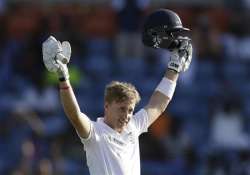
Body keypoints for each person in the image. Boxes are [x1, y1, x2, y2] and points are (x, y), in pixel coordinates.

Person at [42, 9, 192, 175]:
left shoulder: (133, 127)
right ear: (107, 106)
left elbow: (158, 105)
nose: (127, 115)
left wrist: (175, 66)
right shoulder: (96, 134)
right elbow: (75, 115)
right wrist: (63, 77)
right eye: (122, 109)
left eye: (130, 110)